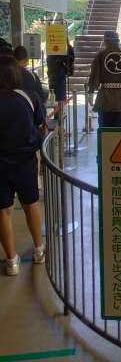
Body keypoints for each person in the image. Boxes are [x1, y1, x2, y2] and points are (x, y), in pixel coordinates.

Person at [0, 56, 46, 275]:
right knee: (31, 205)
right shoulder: (29, 97)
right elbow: (40, 122)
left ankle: (11, 261)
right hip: (25, 161)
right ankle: (38, 250)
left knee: (3, 212)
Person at [88, 31, 121, 128]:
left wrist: (91, 91)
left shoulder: (100, 56)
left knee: (104, 128)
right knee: (118, 128)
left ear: (105, 42)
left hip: (104, 98)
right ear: (117, 41)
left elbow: (94, 74)